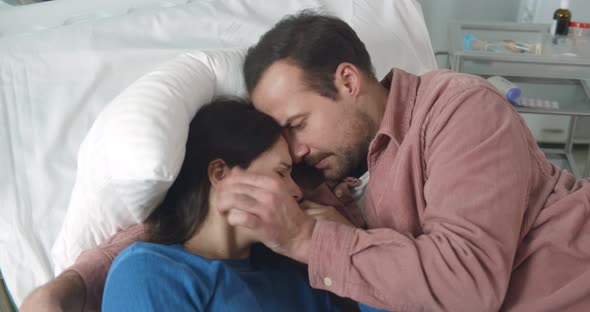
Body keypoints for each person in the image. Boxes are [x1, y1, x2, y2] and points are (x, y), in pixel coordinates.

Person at [22, 10, 590, 312]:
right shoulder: (325, 169)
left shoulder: (458, 110)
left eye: (295, 126)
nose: (293, 154)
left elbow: (468, 287)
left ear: (346, 80)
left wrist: (304, 241)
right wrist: (73, 282)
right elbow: (197, 213)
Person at [100, 98, 347, 311]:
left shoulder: (292, 281)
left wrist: (344, 244)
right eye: (281, 172)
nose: (297, 192)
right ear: (220, 174)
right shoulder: (149, 272)